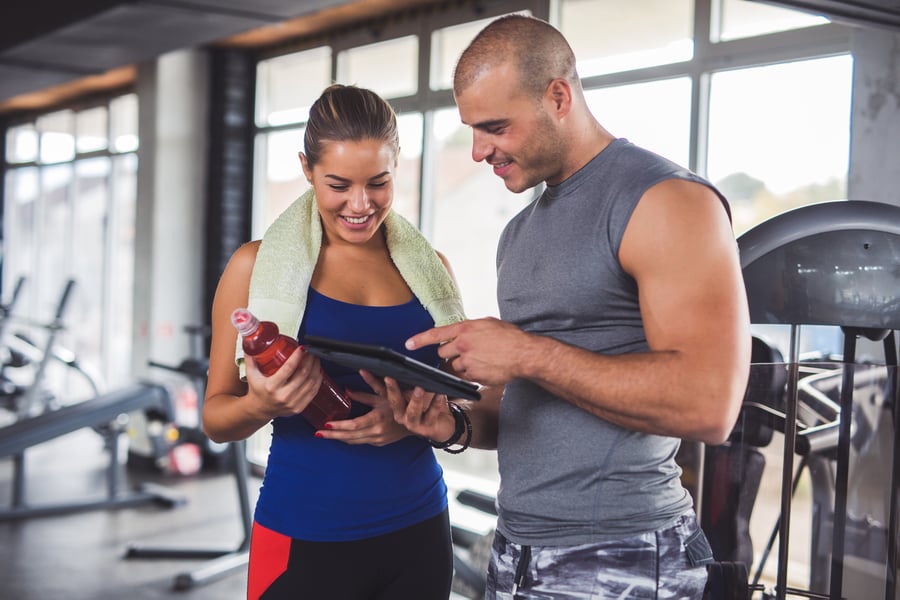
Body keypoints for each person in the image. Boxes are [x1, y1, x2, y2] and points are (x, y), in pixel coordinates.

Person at [388, 14, 752, 599]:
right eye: (472, 130)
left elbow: (709, 403)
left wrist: (527, 353)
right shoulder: (519, 232)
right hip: (517, 551)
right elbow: (528, 401)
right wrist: (454, 423)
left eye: (495, 127)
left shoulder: (666, 201)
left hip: (624, 554)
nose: (479, 150)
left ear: (559, 96)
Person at [203, 83, 470, 600]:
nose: (360, 204)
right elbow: (216, 418)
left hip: (419, 529)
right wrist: (262, 403)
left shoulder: (432, 271)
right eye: (338, 184)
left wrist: (409, 418)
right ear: (306, 168)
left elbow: (458, 391)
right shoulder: (255, 268)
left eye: (379, 183)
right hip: (305, 533)